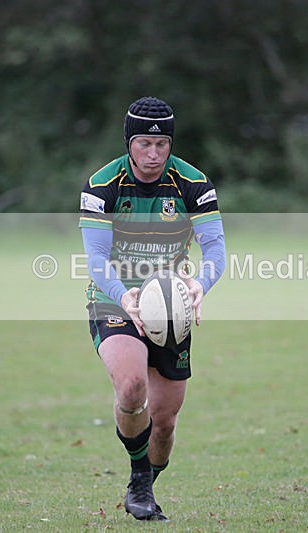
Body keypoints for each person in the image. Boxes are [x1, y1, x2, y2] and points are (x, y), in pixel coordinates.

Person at [79, 96, 226, 521]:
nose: (153, 154)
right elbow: (96, 259)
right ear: (129, 142)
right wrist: (124, 295)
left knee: (163, 424)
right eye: (144, 143)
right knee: (131, 389)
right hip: (115, 299)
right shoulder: (102, 185)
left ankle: (148, 474)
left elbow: (215, 248)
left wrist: (200, 284)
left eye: (162, 145)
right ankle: (139, 481)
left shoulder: (192, 183)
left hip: (171, 307)